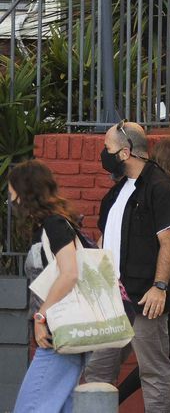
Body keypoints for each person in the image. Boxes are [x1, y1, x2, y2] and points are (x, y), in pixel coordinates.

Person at [83, 121, 170, 413]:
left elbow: (169, 242)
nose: (104, 154)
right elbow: (106, 239)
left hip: (144, 297)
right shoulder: (115, 194)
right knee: (97, 374)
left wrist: (160, 286)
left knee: (153, 371)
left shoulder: (160, 187)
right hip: (113, 299)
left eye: (108, 149)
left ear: (126, 152)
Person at [117, 137, 170, 412]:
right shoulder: (161, 191)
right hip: (153, 290)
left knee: (164, 355)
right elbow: (164, 242)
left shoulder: (169, 192)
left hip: (160, 289)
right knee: (162, 357)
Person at [10, 160, 86, 413]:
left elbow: (70, 273)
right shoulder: (49, 226)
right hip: (61, 334)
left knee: (30, 408)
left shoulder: (54, 225)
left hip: (59, 332)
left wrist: (41, 316)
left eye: (12, 193)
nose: (11, 200)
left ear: (26, 192)